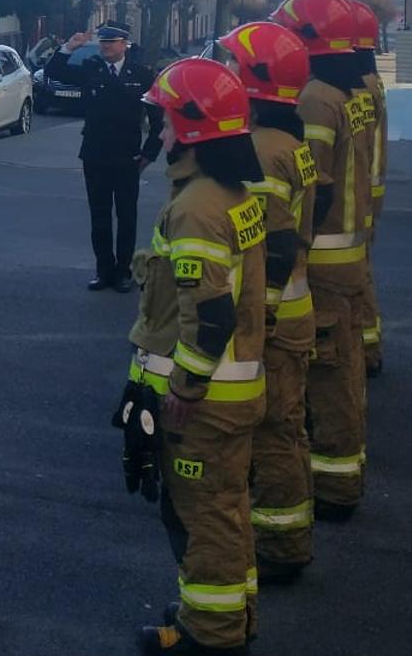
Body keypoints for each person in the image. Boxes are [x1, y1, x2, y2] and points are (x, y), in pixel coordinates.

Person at [126, 58, 267, 655]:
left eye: (164, 123)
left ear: (192, 128)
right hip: (237, 395)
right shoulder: (230, 194)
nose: (159, 135)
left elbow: (207, 318)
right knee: (229, 508)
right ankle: (233, 615)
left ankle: (205, 634)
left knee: (200, 516)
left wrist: (182, 390)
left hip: (203, 405)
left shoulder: (196, 208)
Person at [219, 21, 319, 583]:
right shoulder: (292, 143)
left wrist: (260, 320)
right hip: (296, 311)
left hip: (274, 322)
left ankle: (280, 545)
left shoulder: (261, 151)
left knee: (276, 432)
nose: (229, 72)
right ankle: (288, 533)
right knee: (288, 427)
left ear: (254, 81)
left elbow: (270, 249)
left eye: (236, 64)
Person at [273, 0, 372, 521]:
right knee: (346, 367)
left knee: (328, 374)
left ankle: (334, 483)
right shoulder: (343, 92)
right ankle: (344, 469)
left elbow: (314, 186)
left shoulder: (314, 98)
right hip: (349, 250)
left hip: (326, 262)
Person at [49, 21, 165, 292]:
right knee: (99, 216)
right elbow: (54, 71)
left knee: (127, 216)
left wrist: (149, 154)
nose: (105, 46)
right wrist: (69, 47)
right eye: (103, 41)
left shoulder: (141, 74)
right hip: (95, 154)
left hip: (128, 156)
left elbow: (158, 118)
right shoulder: (92, 68)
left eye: (111, 42)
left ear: (125, 44)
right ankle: (103, 271)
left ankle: (123, 272)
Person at [347, 0, 388, 377]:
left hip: (349, 203)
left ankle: (365, 347)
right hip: (364, 195)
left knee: (353, 282)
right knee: (362, 274)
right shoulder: (370, 85)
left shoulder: (346, 93)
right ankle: (369, 343)